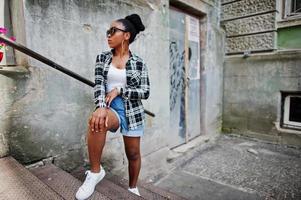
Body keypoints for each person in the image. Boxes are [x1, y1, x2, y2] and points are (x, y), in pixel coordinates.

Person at [75, 14, 150, 200]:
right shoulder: (102, 58)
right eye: (108, 31)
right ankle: (95, 172)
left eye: (113, 31)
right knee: (96, 121)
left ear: (126, 35)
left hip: (133, 112)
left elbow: (145, 91)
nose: (108, 35)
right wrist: (100, 106)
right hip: (111, 107)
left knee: (133, 154)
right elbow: (99, 85)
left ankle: (133, 188)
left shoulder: (139, 62)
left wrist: (119, 90)